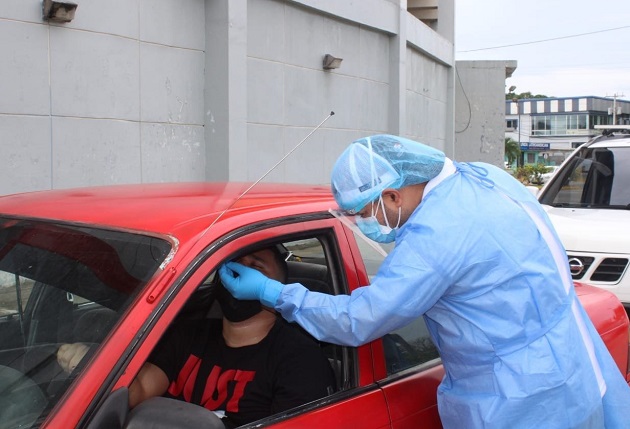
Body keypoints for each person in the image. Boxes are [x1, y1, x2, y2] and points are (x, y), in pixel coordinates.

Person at [220, 135, 630, 429]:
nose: (368, 224)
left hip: (518, 395)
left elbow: (360, 319)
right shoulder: (482, 177)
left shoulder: (433, 238)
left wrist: (273, 293)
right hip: (568, 357)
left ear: (394, 196)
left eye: (366, 212)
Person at [58, 247, 335, 429]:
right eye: (234, 267)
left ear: (276, 289)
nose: (242, 274)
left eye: (256, 268)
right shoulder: (190, 335)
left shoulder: (300, 360)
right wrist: (93, 364)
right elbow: (137, 390)